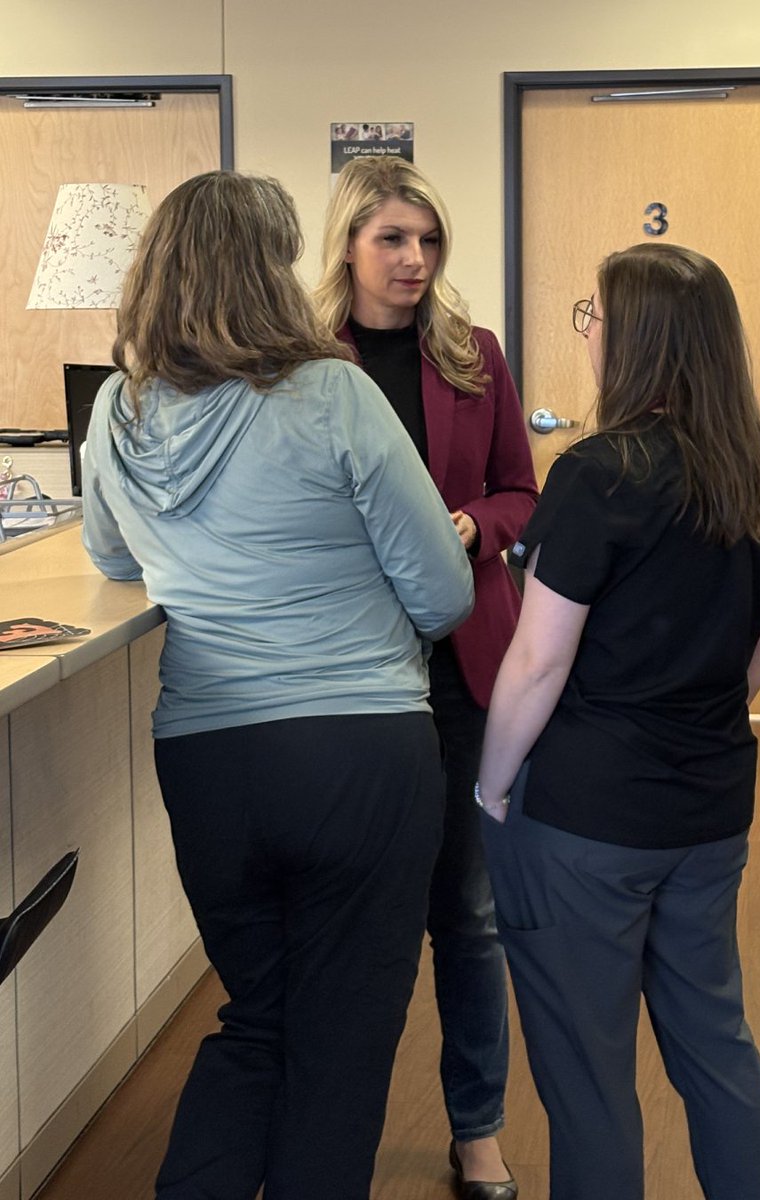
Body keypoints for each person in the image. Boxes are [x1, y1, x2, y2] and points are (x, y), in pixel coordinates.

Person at [81, 170, 475, 1200]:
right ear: (270, 270)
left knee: (256, 1015)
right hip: (359, 756)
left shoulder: (119, 412)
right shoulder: (331, 392)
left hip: (210, 763)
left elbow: (114, 562)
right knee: (343, 1042)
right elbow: (441, 593)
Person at [476, 243, 760, 1200]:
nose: (591, 336)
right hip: (708, 816)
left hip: (584, 824)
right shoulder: (759, 478)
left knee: (589, 1076)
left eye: (598, 319)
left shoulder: (597, 473)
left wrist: (492, 788)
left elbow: (537, 663)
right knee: (715, 1046)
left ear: (638, 344)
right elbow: (757, 660)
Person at [315, 157, 538, 1198]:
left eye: (428, 240)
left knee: (471, 913)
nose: (414, 260)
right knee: (359, 918)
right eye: (393, 239)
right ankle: (335, 1136)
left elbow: (519, 495)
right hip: (347, 672)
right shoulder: (305, 363)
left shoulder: (473, 355)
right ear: (348, 245)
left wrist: (471, 525)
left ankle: (478, 1130)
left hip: (458, 666)